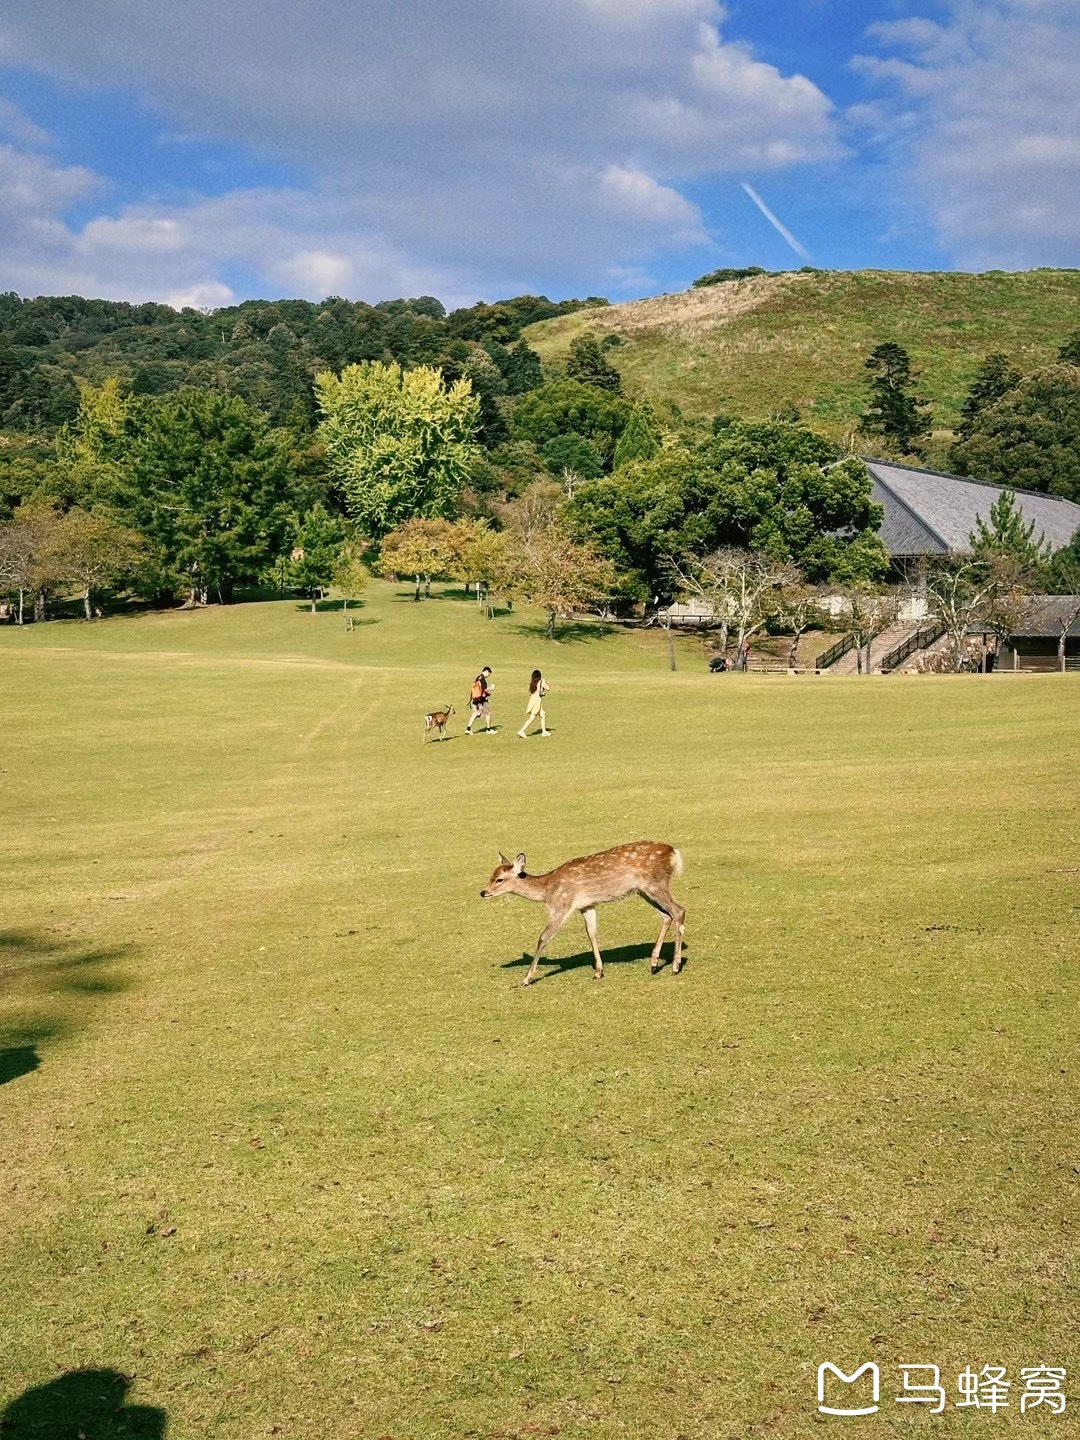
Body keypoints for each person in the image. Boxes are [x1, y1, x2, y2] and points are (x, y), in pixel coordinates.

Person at [517, 669, 551, 738]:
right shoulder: (541, 681)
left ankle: (544, 731)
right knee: (532, 717)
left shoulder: (532, 683)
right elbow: (548, 688)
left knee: (543, 714)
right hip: (537, 700)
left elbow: (530, 692)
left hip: (532, 699)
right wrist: (546, 682)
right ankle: (522, 731)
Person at [466, 666, 495, 734]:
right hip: (482, 700)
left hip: (475, 699)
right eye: (488, 674)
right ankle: (488, 730)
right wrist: (491, 689)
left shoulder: (478, 678)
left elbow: (480, 688)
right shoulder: (482, 679)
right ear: (486, 672)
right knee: (487, 714)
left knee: (476, 713)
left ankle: (468, 729)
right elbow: (484, 690)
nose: (488, 675)